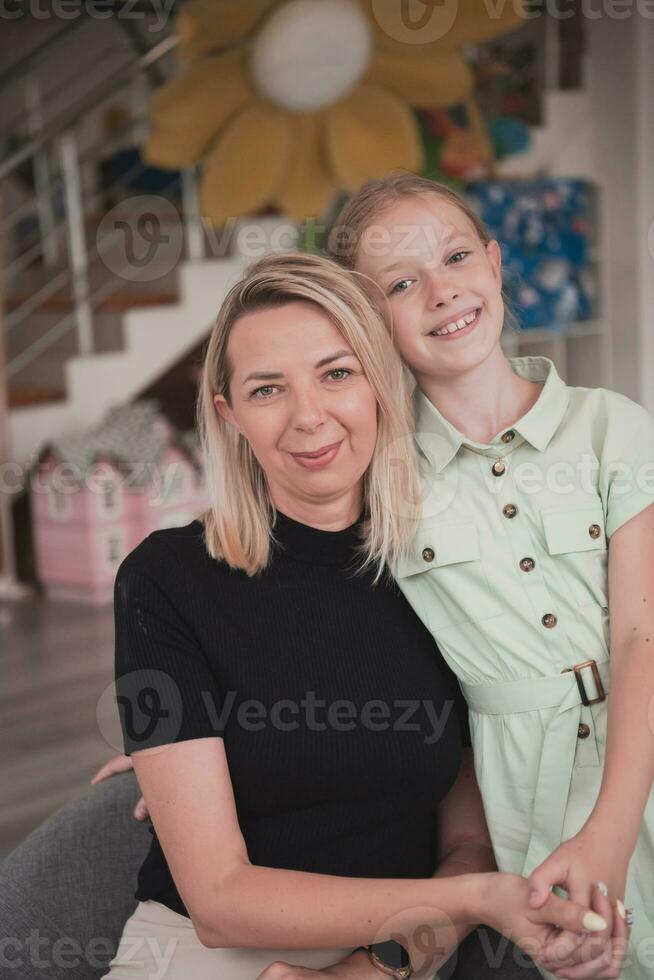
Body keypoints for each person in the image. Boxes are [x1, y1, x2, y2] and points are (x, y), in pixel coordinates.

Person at [94, 252, 615, 980]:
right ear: (229, 413)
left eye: (337, 373)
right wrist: (479, 898)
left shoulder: (446, 572)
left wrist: (380, 966)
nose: (309, 417)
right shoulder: (163, 578)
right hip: (202, 956)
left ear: (381, 385)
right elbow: (218, 901)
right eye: (267, 389)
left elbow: (465, 843)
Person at [322, 171, 652, 980]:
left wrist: (611, 827)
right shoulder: (381, 481)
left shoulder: (611, 425)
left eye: (456, 257)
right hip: (520, 801)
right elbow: (292, 607)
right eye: (402, 283)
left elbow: (643, 633)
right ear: (372, 320)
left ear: (496, 264)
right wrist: (195, 729)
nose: (441, 292)